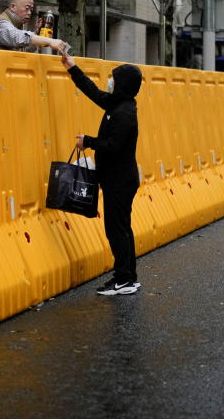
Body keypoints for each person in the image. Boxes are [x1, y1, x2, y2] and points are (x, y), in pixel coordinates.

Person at [61, 52, 143, 296]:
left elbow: (113, 146)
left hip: (120, 182)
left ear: (123, 85)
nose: (110, 82)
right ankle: (128, 277)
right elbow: (94, 93)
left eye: (114, 79)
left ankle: (124, 279)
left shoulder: (124, 113)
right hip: (118, 180)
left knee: (116, 230)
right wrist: (72, 68)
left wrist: (88, 141)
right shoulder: (119, 104)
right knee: (122, 229)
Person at [0, 0, 68, 53]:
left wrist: (36, 33)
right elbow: (17, 37)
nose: (29, 13)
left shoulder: (15, 24)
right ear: (13, 7)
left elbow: (24, 50)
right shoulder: (2, 23)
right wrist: (49, 41)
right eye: (27, 8)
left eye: (31, 10)